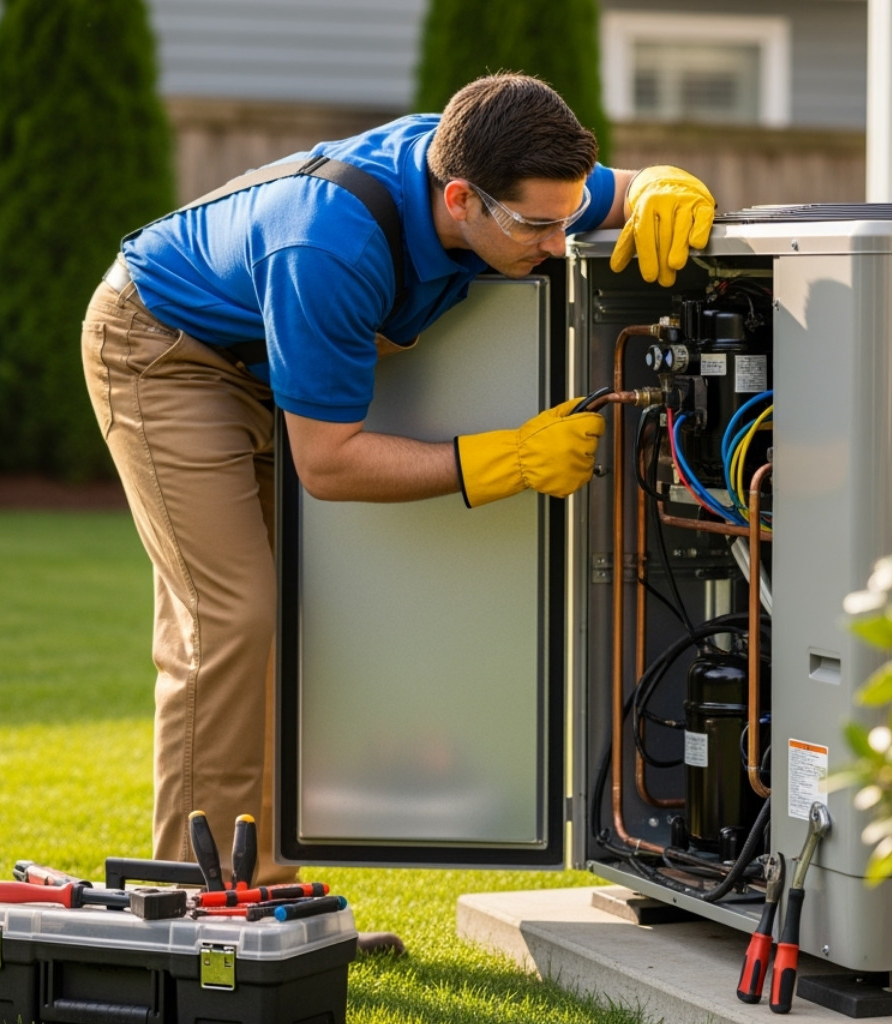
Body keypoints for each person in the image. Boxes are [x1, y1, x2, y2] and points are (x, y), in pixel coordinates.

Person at [80, 73, 714, 947]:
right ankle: (195, 920)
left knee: (298, 623)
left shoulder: (509, 172)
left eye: (568, 218)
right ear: (461, 199)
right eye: (538, 228)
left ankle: (265, 903)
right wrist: (510, 457)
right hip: (165, 353)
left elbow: (624, 191)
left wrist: (664, 183)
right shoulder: (330, 246)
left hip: (266, 359)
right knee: (232, 616)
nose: (560, 242)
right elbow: (330, 463)